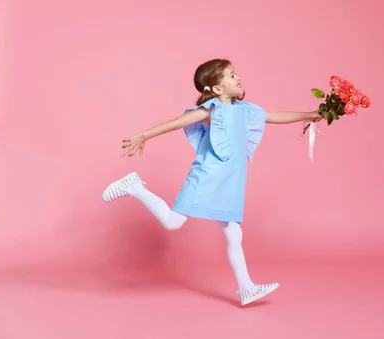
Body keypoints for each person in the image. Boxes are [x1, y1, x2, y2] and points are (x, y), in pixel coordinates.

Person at [101, 58, 322, 306]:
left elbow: (275, 116)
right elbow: (176, 123)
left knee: (233, 233)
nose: (238, 77)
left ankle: (247, 288)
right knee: (173, 222)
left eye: (235, 73)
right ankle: (134, 186)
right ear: (217, 89)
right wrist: (143, 136)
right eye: (231, 75)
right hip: (206, 177)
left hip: (229, 182)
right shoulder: (210, 111)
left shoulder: (245, 110)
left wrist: (311, 114)